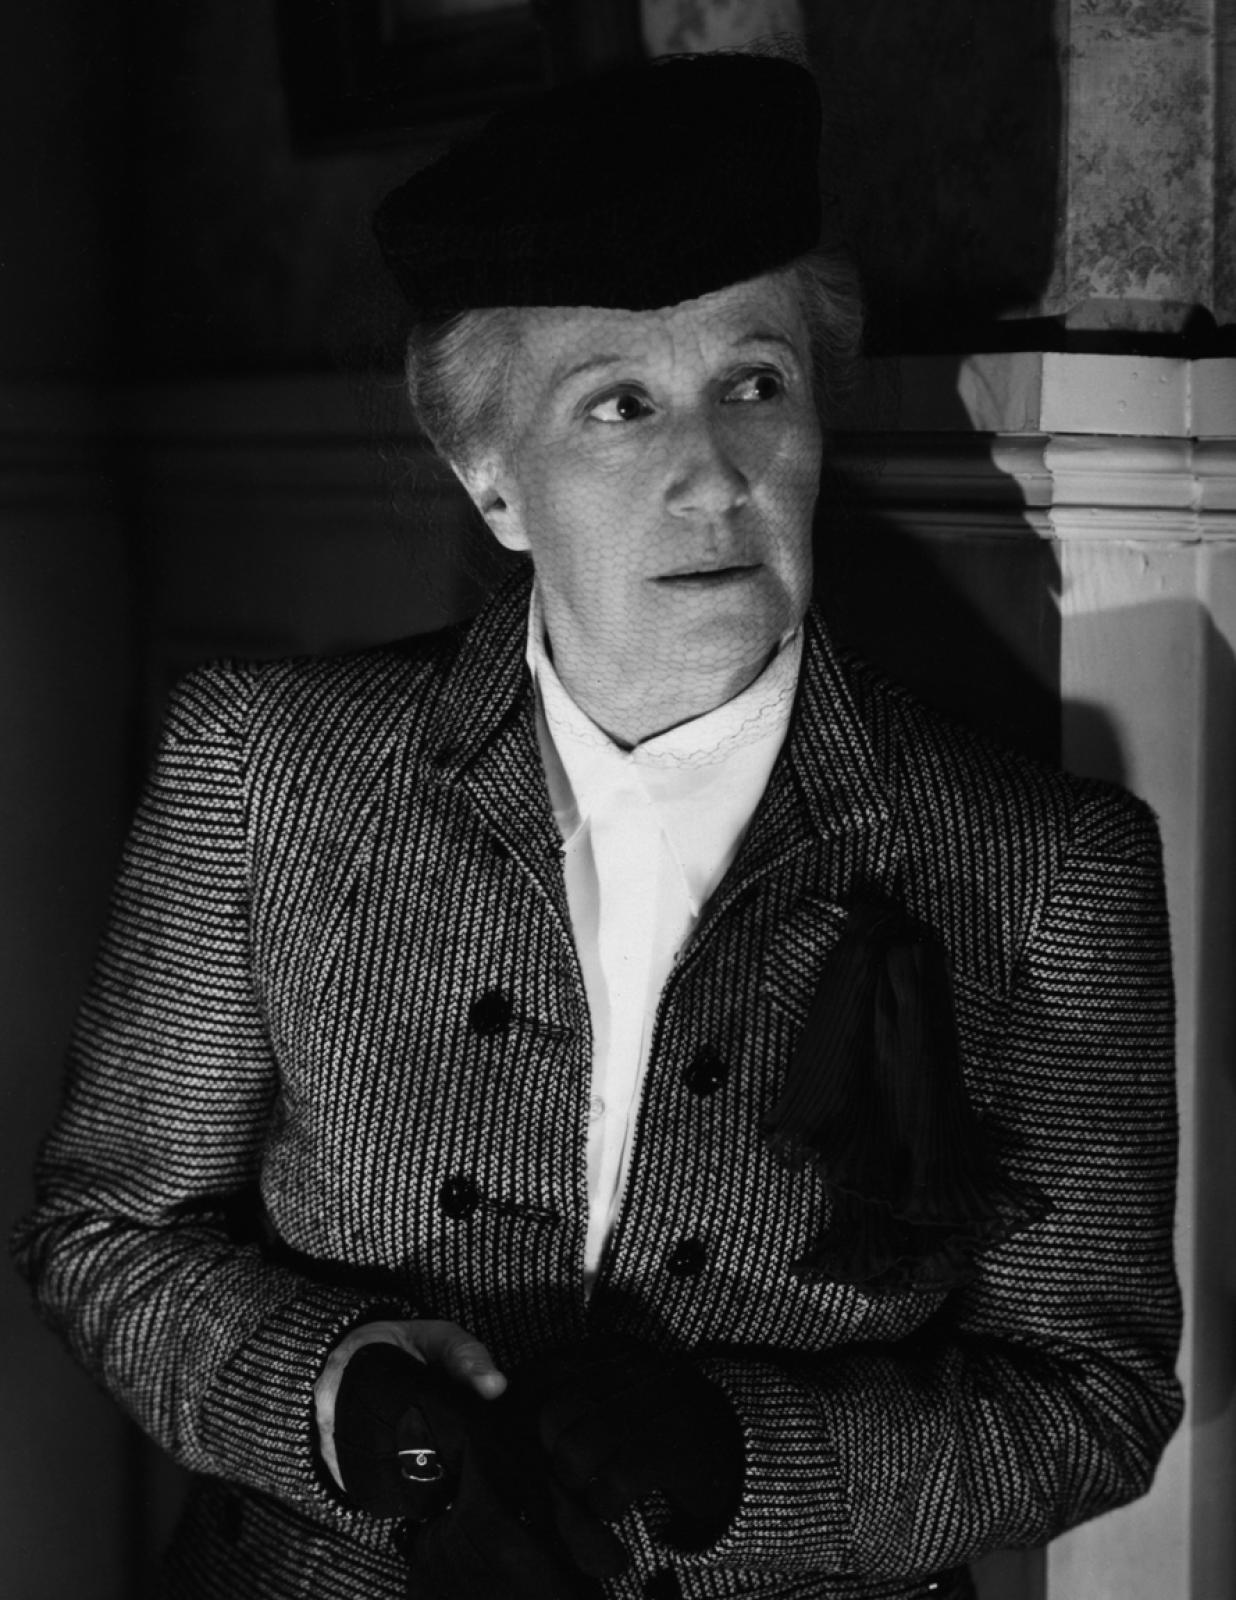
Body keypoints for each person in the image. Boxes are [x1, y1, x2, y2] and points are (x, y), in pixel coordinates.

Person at [13, 50, 1181, 1600]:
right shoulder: (268, 770)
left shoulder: (1046, 866)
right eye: (620, 405)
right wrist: (331, 1392)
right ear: (493, 480)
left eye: (755, 382)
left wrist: (743, 1462)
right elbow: (111, 1232)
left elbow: (1090, 1400)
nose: (715, 476)